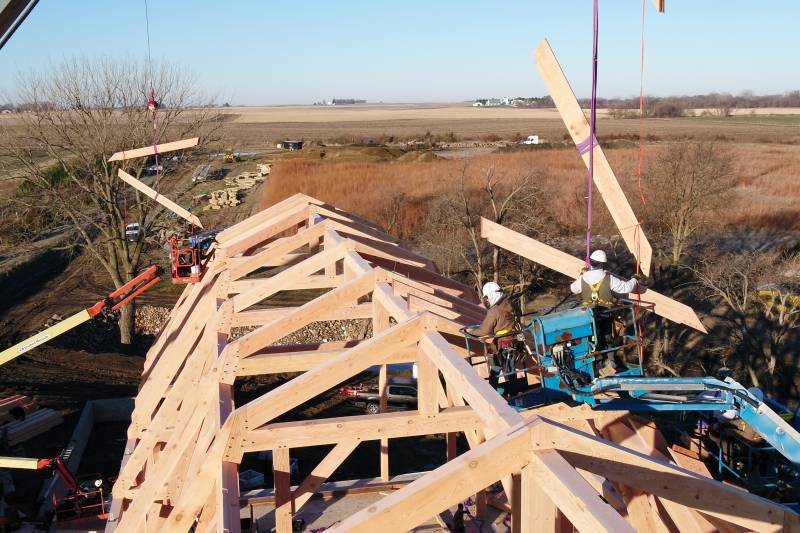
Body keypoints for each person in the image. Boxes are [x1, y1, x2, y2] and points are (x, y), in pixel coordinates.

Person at [570, 250, 639, 305]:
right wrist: (635, 279)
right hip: (605, 313)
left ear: (590, 262)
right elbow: (627, 288)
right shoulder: (609, 279)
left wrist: (582, 275)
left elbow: (573, 289)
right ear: (602, 263)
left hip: (589, 311)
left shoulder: (583, 278)